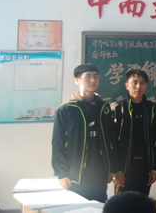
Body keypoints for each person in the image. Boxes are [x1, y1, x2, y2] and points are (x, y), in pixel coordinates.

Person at [52, 63, 124, 202]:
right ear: (77, 80)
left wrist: (112, 168)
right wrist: (61, 174)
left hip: (100, 172)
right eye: (88, 77)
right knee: (77, 208)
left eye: (96, 76)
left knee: (99, 205)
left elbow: (111, 141)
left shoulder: (104, 108)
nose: (93, 80)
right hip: (76, 174)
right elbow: (58, 143)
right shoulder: (67, 109)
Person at [111, 69, 156, 195]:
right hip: (124, 168)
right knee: (122, 204)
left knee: (142, 203)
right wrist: (116, 170)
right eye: (135, 82)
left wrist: (155, 169)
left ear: (146, 86)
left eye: (142, 83)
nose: (138, 86)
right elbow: (111, 142)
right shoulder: (117, 108)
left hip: (145, 167)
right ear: (127, 85)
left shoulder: (153, 109)